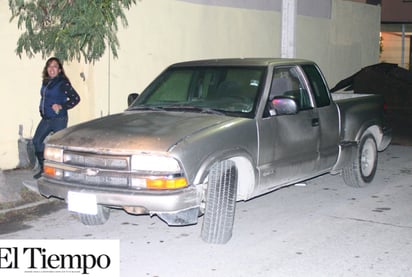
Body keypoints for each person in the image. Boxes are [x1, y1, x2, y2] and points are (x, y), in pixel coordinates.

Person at [32, 57, 80, 179]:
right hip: (46, 118)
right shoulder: (46, 81)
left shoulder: (62, 82)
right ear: (46, 69)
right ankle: (44, 168)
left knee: (58, 146)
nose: (52, 68)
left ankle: (60, 173)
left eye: (55, 66)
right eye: (49, 66)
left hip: (59, 119)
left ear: (59, 70)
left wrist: (62, 106)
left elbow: (76, 98)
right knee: (37, 141)